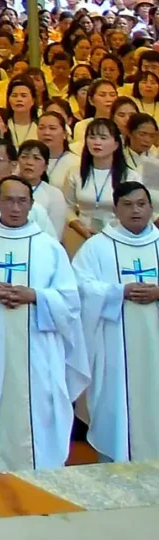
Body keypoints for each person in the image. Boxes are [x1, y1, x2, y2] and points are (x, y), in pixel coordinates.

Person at [0, 176, 88, 474]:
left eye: (22, 201)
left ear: (32, 204)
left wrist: (35, 295)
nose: (16, 207)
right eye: (8, 200)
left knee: (41, 406)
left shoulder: (49, 247)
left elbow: (70, 299)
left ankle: (45, 470)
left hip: (39, 345)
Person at [75, 181, 159, 462]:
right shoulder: (97, 247)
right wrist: (118, 291)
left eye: (141, 204)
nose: (135, 210)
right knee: (116, 407)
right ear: (116, 209)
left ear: (150, 208)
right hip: (113, 347)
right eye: (127, 204)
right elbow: (79, 286)